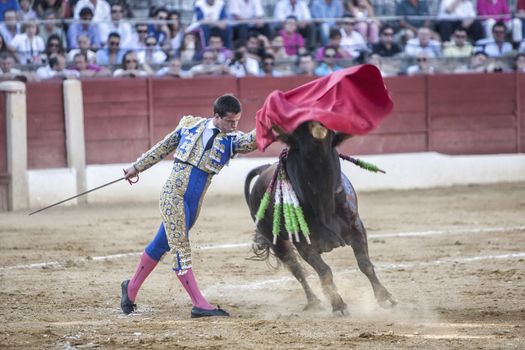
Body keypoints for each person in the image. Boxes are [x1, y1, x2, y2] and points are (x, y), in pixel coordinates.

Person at [120, 94, 258, 318]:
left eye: (237, 122)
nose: (234, 126)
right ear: (217, 116)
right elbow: (162, 148)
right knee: (180, 247)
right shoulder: (189, 125)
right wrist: (137, 167)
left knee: (159, 245)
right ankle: (199, 304)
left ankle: (131, 289)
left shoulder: (232, 139)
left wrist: (269, 124)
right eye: (230, 121)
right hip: (172, 196)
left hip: (193, 206)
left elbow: (251, 141)